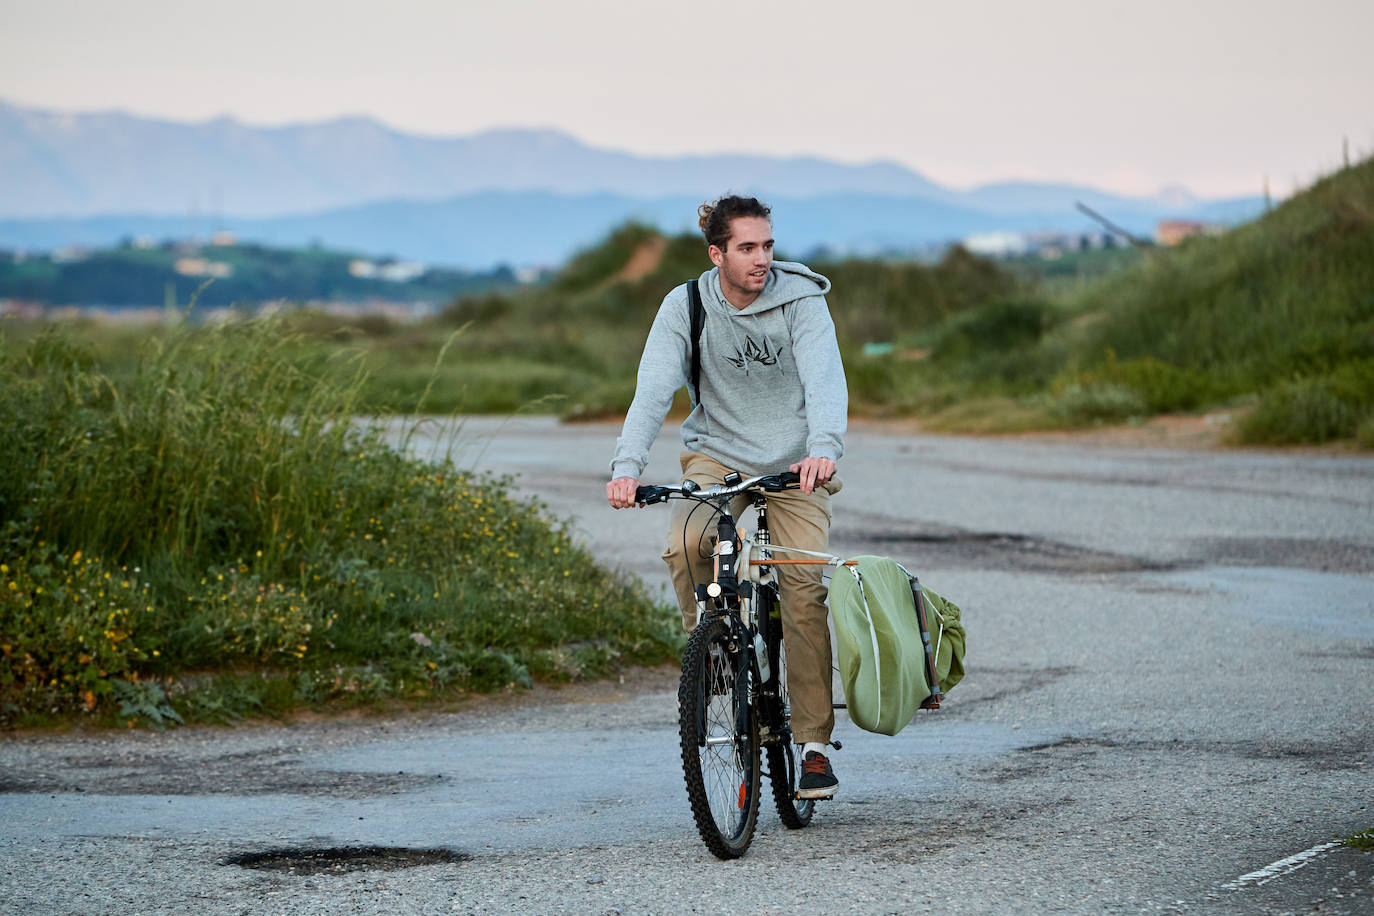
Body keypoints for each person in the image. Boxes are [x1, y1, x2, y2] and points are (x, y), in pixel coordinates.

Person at [606, 194, 848, 799]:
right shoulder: (686, 306)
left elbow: (824, 380)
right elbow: (652, 393)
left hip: (798, 465)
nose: (762, 258)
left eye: (767, 245)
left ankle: (813, 746)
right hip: (717, 453)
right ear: (716, 254)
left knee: (801, 591)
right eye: (747, 248)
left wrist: (823, 448)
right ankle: (709, 648)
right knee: (689, 538)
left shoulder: (801, 301)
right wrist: (627, 468)